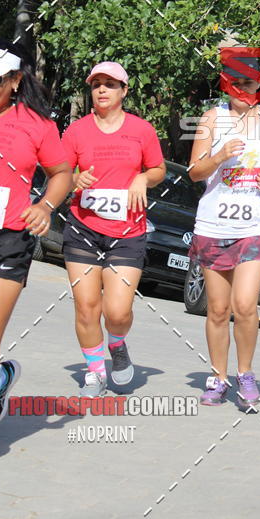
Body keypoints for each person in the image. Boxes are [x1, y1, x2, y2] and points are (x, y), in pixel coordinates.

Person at [0, 37, 72, 480]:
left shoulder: (37, 125)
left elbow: (61, 173)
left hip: (6, 241)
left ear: (16, 81)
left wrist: (45, 206)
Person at [188, 52, 260, 407]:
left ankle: (245, 375)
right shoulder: (211, 119)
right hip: (215, 223)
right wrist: (218, 158)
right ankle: (218, 378)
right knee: (218, 309)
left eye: (249, 83)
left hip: (258, 224)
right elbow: (195, 172)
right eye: (235, 83)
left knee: (245, 304)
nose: (241, 90)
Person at [61, 62, 165, 397]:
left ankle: (117, 343)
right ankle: (94, 371)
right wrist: (75, 179)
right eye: (96, 84)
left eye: (110, 84)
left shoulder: (141, 130)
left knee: (117, 311)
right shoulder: (77, 131)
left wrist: (142, 177)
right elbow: (59, 174)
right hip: (83, 228)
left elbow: (159, 169)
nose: (102, 90)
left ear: (124, 91)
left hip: (127, 231)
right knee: (86, 306)